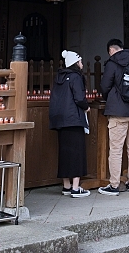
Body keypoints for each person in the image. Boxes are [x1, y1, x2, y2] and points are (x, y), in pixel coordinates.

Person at [97, 38, 129, 195]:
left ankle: (114, 185)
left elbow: (104, 86)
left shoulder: (112, 63)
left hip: (118, 112)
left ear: (111, 50)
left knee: (116, 149)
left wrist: (109, 97)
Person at [48, 49, 91, 198]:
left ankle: (66, 185)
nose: (82, 64)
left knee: (65, 153)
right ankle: (76, 187)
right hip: (73, 119)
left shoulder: (59, 78)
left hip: (60, 120)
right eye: (80, 62)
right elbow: (79, 98)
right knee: (77, 153)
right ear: (75, 63)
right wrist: (87, 107)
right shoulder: (75, 77)